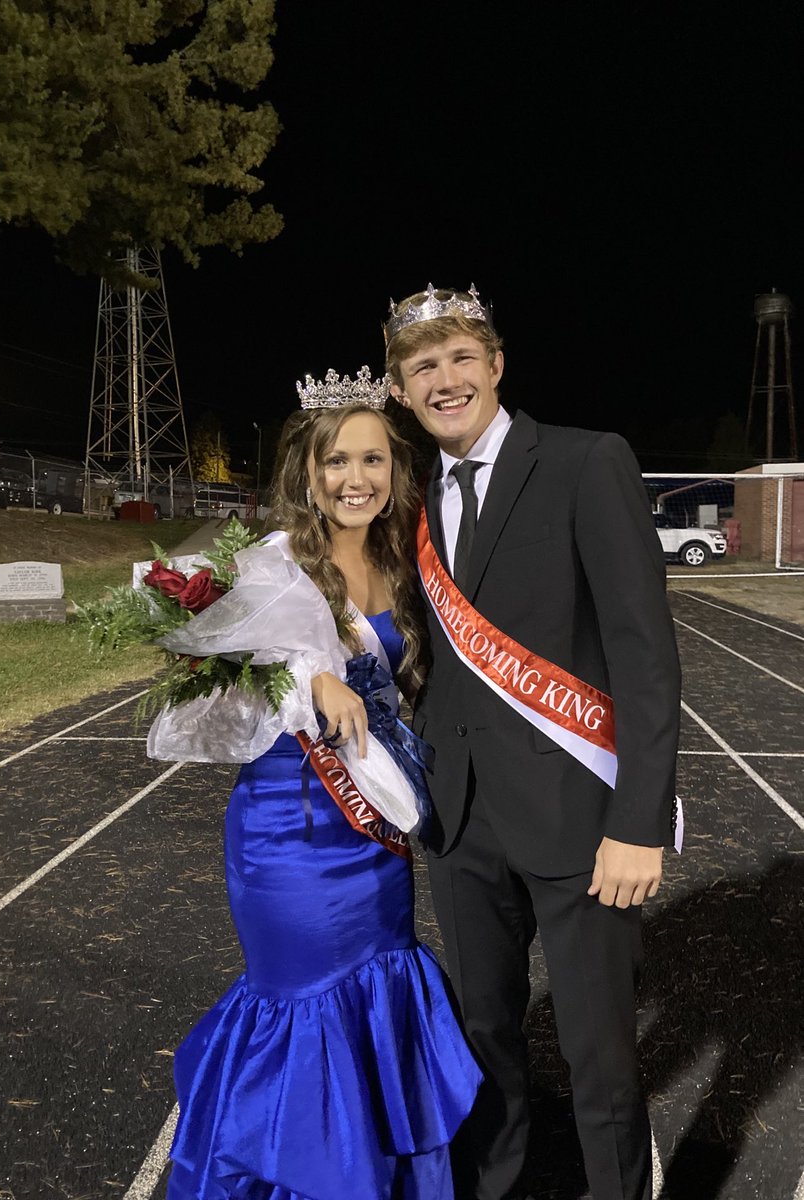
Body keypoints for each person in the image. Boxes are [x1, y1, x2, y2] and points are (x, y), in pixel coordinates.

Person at [154, 367, 482, 1200]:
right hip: (288, 831)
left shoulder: (402, 565)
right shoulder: (269, 566)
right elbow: (226, 683)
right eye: (337, 461)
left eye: (374, 460)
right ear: (307, 470)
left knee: (377, 991)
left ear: (395, 471)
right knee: (301, 998)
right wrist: (312, 680)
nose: (355, 479)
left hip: (373, 836)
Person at [385, 286, 682, 1200]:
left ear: (498, 364)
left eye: (461, 358)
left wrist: (638, 823)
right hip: (462, 820)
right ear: (400, 388)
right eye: (423, 366)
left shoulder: (587, 462)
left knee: (599, 1056)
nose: (445, 380)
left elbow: (644, 655)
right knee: (484, 1042)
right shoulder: (410, 491)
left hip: (581, 821)